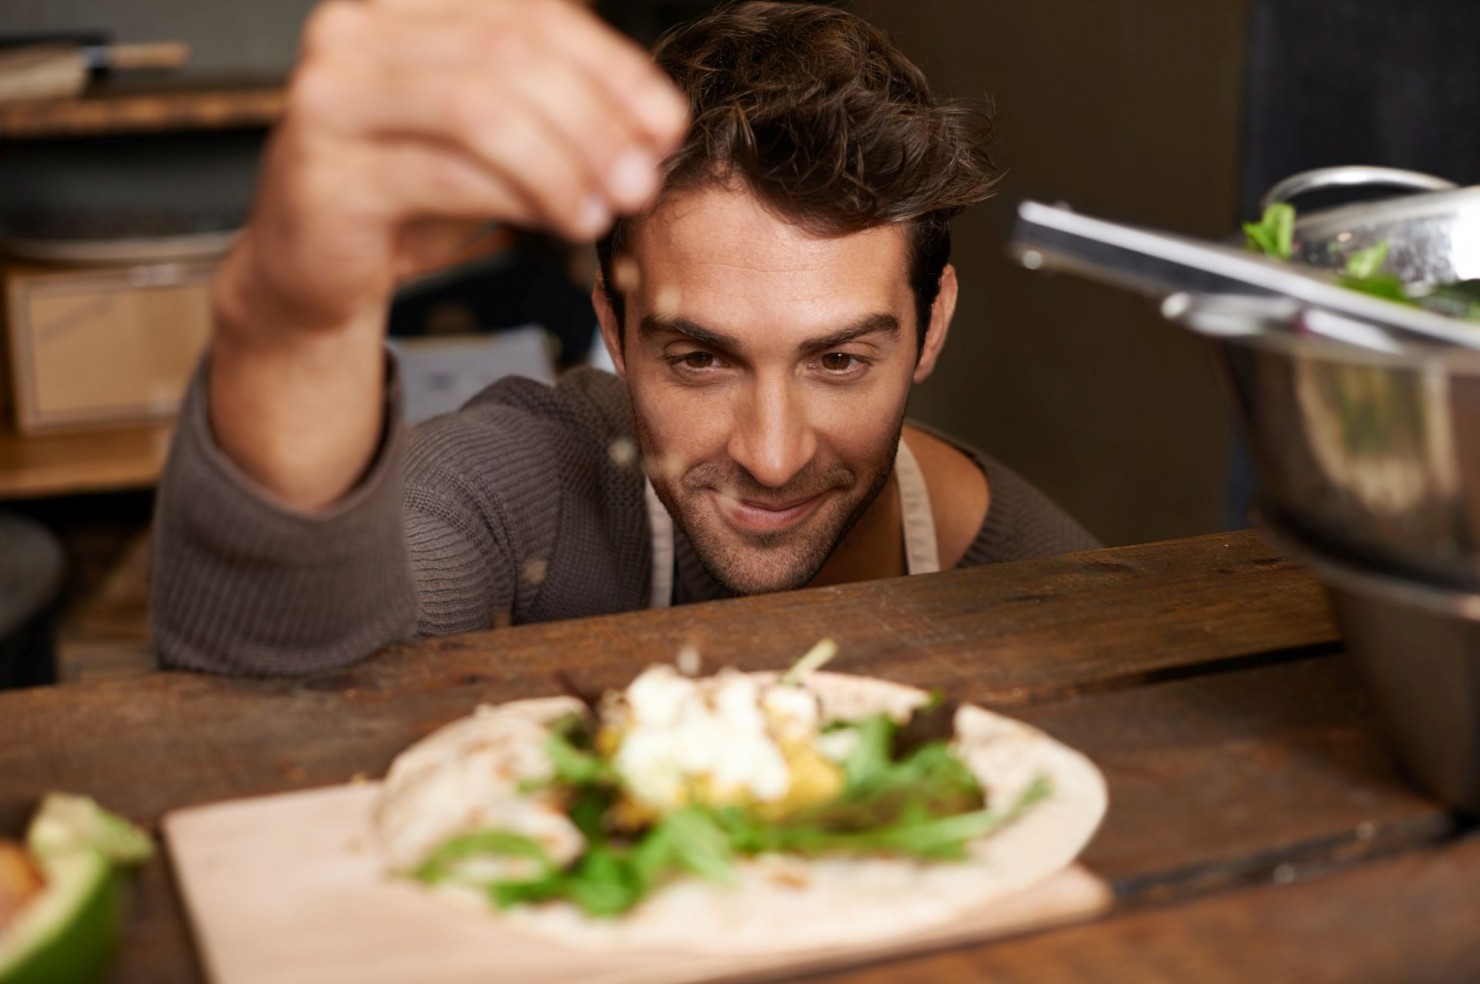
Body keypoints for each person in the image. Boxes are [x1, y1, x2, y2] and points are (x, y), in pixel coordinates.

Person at [152, 0, 1098, 675]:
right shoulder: (522, 490)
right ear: (612, 323)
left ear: (931, 328)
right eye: (699, 359)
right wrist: (286, 320)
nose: (770, 457)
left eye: (839, 361)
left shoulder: (1043, 578)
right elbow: (284, 672)